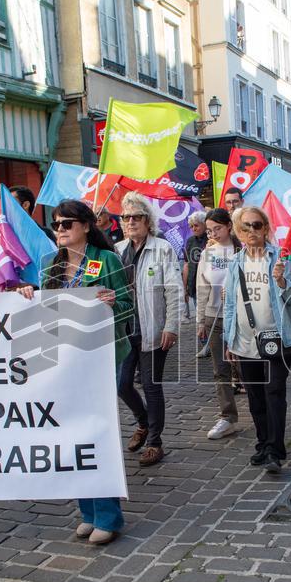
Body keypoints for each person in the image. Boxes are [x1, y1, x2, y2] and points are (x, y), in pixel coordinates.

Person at [42, 199, 133, 545]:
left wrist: (113, 303)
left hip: (102, 356)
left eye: (67, 223)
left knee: (96, 433)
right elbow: (41, 310)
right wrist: (24, 293)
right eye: (56, 225)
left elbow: (128, 306)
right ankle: (88, 511)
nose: (61, 230)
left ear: (85, 225)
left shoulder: (105, 259)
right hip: (67, 361)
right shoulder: (50, 264)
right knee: (73, 435)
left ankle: (108, 514)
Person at [222, 206, 291, 474]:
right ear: (239, 232)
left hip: (277, 339)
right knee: (255, 398)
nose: (252, 231)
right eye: (246, 227)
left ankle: (275, 450)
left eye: (257, 225)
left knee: (274, 393)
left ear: (266, 228)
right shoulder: (236, 262)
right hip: (246, 341)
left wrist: (281, 282)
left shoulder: (279, 258)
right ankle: (262, 443)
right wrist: (228, 340)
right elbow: (231, 304)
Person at [116, 192, 183, 468]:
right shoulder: (117, 250)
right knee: (121, 385)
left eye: (136, 217)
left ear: (147, 221)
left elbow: (174, 289)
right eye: (126, 217)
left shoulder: (161, 248)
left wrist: (171, 325)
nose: (131, 222)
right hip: (124, 330)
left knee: (151, 385)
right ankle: (143, 422)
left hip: (153, 328)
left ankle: (155, 442)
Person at [195, 208, 242, 439]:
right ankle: (227, 417)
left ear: (229, 226)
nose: (214, 234)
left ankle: (262, 411)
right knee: (220, 370)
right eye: (210, 230)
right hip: (216, 316)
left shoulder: (242, 250)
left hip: (242, 317)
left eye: (218, 228)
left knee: (246, 366)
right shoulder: (208, 254)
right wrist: (201, 320)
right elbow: (202, 287)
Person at [183, 211, 207, 332]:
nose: (193, 228)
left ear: (204, 224)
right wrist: (184, 287)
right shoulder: (190, 241)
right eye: (191, 226)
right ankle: (205, 345)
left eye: (196, 225)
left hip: (209, 285)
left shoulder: (212, 239)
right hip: (194, 286)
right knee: (200, 318)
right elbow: (187, 264)